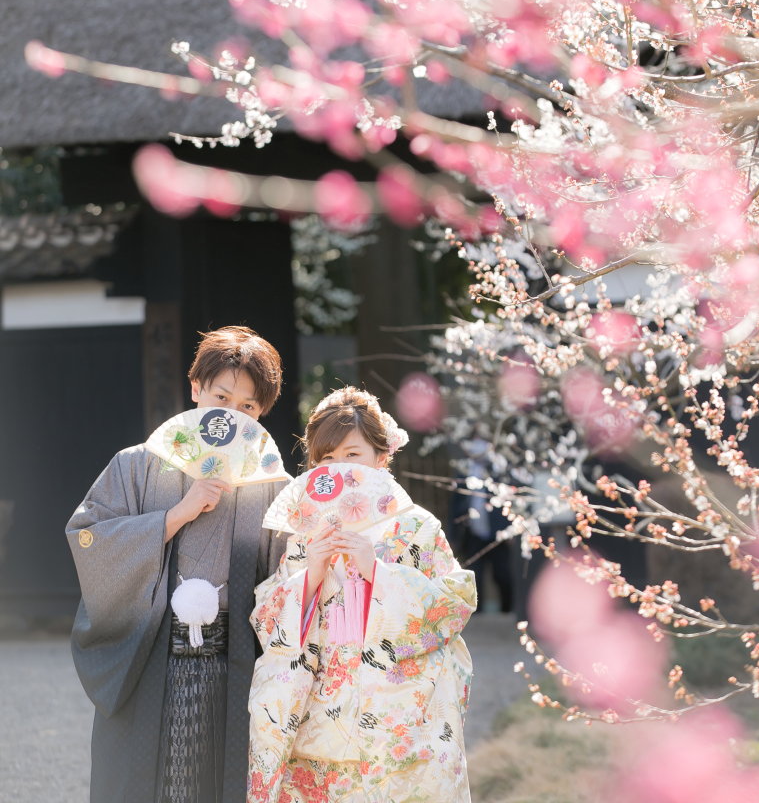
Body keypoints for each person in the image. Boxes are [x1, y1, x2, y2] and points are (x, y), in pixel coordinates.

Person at [66, 325, 291, 803]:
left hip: (234, 667)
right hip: (149, 660)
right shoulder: (136, 465)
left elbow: (288, 584)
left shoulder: (271, 483)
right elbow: (89, 538)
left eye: (248, 407)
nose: (232, 415)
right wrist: (173, 516)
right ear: (196, 389)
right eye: (221, 397)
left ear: (262, 413)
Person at [247, 386, 477, 803]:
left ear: (381, 457)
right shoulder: (305, 535)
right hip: (319, 710)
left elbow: (452, 606)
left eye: (353, 455)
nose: (339, 469)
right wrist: (310, 576)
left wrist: (378, 572)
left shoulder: (417, 527)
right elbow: (267, 619)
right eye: (326, 459)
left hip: (399, 710)